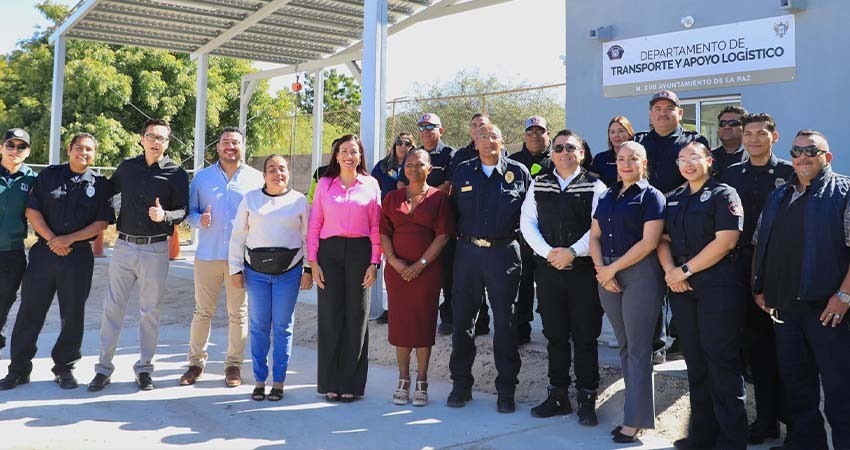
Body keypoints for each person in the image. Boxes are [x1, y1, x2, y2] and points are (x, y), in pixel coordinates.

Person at [752, 130, 850, 450]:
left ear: (827, 157)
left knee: (840, 390)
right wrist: (760, 287)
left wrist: (844, 296)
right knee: (797, 388)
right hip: (785, 310)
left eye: (811, 150)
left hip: (829, 311)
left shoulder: (844, 192)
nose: (802, 156)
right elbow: (761, 243)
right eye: (796, 151)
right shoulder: (779, 195)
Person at [0, 133, 113, 390]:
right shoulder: (48, 176)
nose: (83, 153)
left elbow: (101, 222)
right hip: (43, 254)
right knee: (30, 312)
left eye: (89, 149)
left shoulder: (100, 183)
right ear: (69, 150)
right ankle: (18, 369)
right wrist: (53, 239)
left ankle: (64, 368)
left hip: (78, 257)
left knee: (72, 315)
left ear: (94, 154)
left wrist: (69, 240)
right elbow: (32, 210)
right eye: (78, 148)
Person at [657, 142, 748, 450]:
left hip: (718, 288)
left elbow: (725, 241)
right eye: (682, 159)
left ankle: (732, 439)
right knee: (694, 362)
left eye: (694, 157)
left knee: (721, 363)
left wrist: (684, 270)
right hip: (683, 291)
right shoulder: (673, 198)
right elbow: (663, 239)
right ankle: (703, 434)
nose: (688, 163)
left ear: (709, 160)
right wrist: (672, 273)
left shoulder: (724, 194)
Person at [88, 119, 189, 392]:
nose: (156, 142)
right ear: (142, 139)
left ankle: (144, 369)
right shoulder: (127, 168)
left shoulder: (176, 173)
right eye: (151, 136)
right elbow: (105, 191)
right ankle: (103, 369)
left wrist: (165, 215)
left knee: (150, 312)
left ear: (168, 143)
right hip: (124, 248)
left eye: (162, 138)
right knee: (112, 310)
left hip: (156, 249)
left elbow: (183, 210)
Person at [520, 129, 607, 425]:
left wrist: (571, 251)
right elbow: (527, 222)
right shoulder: (539, 183)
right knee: (554, 336)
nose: (564, 152)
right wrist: (548, 253)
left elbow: (598, 227)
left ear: (582, 153)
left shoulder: (596, 185)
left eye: (571, 147)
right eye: (558, 148)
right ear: (552, 152)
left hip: (583, 272)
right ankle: (558, 396)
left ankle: (586, 398)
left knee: (585, 337)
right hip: (548, 271)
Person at [447, 123, 530, 413]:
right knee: (463, 321)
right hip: (468, 253)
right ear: (474, 140)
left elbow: (530, 215)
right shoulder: (463, 170)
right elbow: (452, 210)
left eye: (493, 136)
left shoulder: (519, 172)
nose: (488, 141)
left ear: (502, 139)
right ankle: (461, 384)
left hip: (504, 253)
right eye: (482, 137)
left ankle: (506, 389)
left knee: (505, 323)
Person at [719, 113, 792, 445]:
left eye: (760, 134)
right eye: (747, 133)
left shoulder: (790, 174)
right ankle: (765, 422)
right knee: (756, 349)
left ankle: (792, 422)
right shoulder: (732, 174)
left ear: (774, 137)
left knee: (787, 352)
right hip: (741, 270)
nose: (752, 139)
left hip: (780, 272)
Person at [589, 141, 665, 442]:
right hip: (606, 273)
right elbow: (594, 235)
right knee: (623, 346)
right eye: (621, 159)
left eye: (633, 158)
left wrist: (612, 269)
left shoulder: (651, 196)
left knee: (638, 348)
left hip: (640, 274)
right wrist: (601, 270)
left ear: (643, 163)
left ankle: (635, 421)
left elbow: (649, 243)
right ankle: (631, 414)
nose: (626, 164)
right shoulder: (607, 195)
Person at [179, 127, 263, 387]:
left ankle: (233, 367)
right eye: (225, 142)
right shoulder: (201, 179)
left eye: (235, 142)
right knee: (202, 312)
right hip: (208, 257)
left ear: (243, 147)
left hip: (240, 260)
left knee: (238, 313)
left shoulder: (256, 179)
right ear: (217, 147)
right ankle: (195, 363)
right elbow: (188, 213)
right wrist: (199, 220)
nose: (230, 147)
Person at [635, 89, 710, 363]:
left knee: (685, 281)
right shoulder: (640, 141)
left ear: (680, 113)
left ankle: (682, 338)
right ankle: (656, 345)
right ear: (650, 114)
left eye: (670, 108)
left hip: (684, 222)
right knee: (652, 283)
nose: (663, 113)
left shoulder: (694, 140)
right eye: (658, 108)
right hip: (648, 224)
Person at [229, 154, 312, 402]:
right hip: (256, 273)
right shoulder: (250, 199)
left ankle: (278, 381)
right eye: (272, 169)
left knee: (283, 328)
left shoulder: (299, 201)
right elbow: (238, 236)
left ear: (289, 173)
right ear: (264, 174)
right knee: (258, 326)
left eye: (283, 169)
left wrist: (307, 269)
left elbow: (309, 238)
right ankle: (259, 380)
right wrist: (235, 269)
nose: (278, 173)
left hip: (289, 272)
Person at [307, 134, 381, 403]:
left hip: (361, 253)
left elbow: (376, 227)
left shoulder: (371, 185)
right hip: (329, 253)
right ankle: (330, 382)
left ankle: (351, 382)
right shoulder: (325, 184)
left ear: (361, 156)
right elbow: (314, 225)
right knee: (330, 316)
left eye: (355, 152)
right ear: (336, 155)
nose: (350, 156)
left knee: (357, 316)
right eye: (344, 151)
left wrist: (375, 263)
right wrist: (312, 263)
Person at [380, 148, 454, 406]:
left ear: (429, 169)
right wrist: (394, 261)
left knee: (423, 324)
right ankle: (403, 379)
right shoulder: (392, 198)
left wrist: (420, 264)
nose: (412, 168)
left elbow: (443, 235)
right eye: (409, 164)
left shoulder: (439, 199)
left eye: (419, 164)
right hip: (397, 272)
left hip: (428, 272)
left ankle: (422, 380)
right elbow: (384, 232)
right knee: (400, 325)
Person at [509, 116, 552, 345]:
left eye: (540, 131)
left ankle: (552, 328)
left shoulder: (557, 159)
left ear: (548, 134)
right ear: (524, 136)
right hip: (521, 233)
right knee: (522, 283)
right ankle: (521, 328)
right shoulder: (513, 162)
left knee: (548, 286)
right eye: (530, 132)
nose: (535, 135)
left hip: (550, 233)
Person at [0, 128, 36, 356]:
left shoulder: (34, 180)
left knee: (4, 300)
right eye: (10, 145)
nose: (15, 150)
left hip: (12, 252)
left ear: (28, 151)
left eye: (21, 146)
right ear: (1, 147)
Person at [589, 116, 636, 188]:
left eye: (620, 131)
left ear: (629, 134)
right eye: (612, 132)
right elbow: (591, 186)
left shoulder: (637, 157)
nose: (616, 135)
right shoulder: (600, 158)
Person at [371, 133, 414, 200]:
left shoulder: (415, 167)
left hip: (409, 207)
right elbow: (372, 187)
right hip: (387, 207)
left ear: (412, 147)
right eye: (399, 143)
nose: (403, 146)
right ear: (394, 146)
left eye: (407, 144)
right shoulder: (383, 165)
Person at [711, 106, 748, 177]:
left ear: (745, 128)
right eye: (722, 123)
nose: (726, 127)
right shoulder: (708, 157)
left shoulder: (753, 157)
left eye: (733, 123)